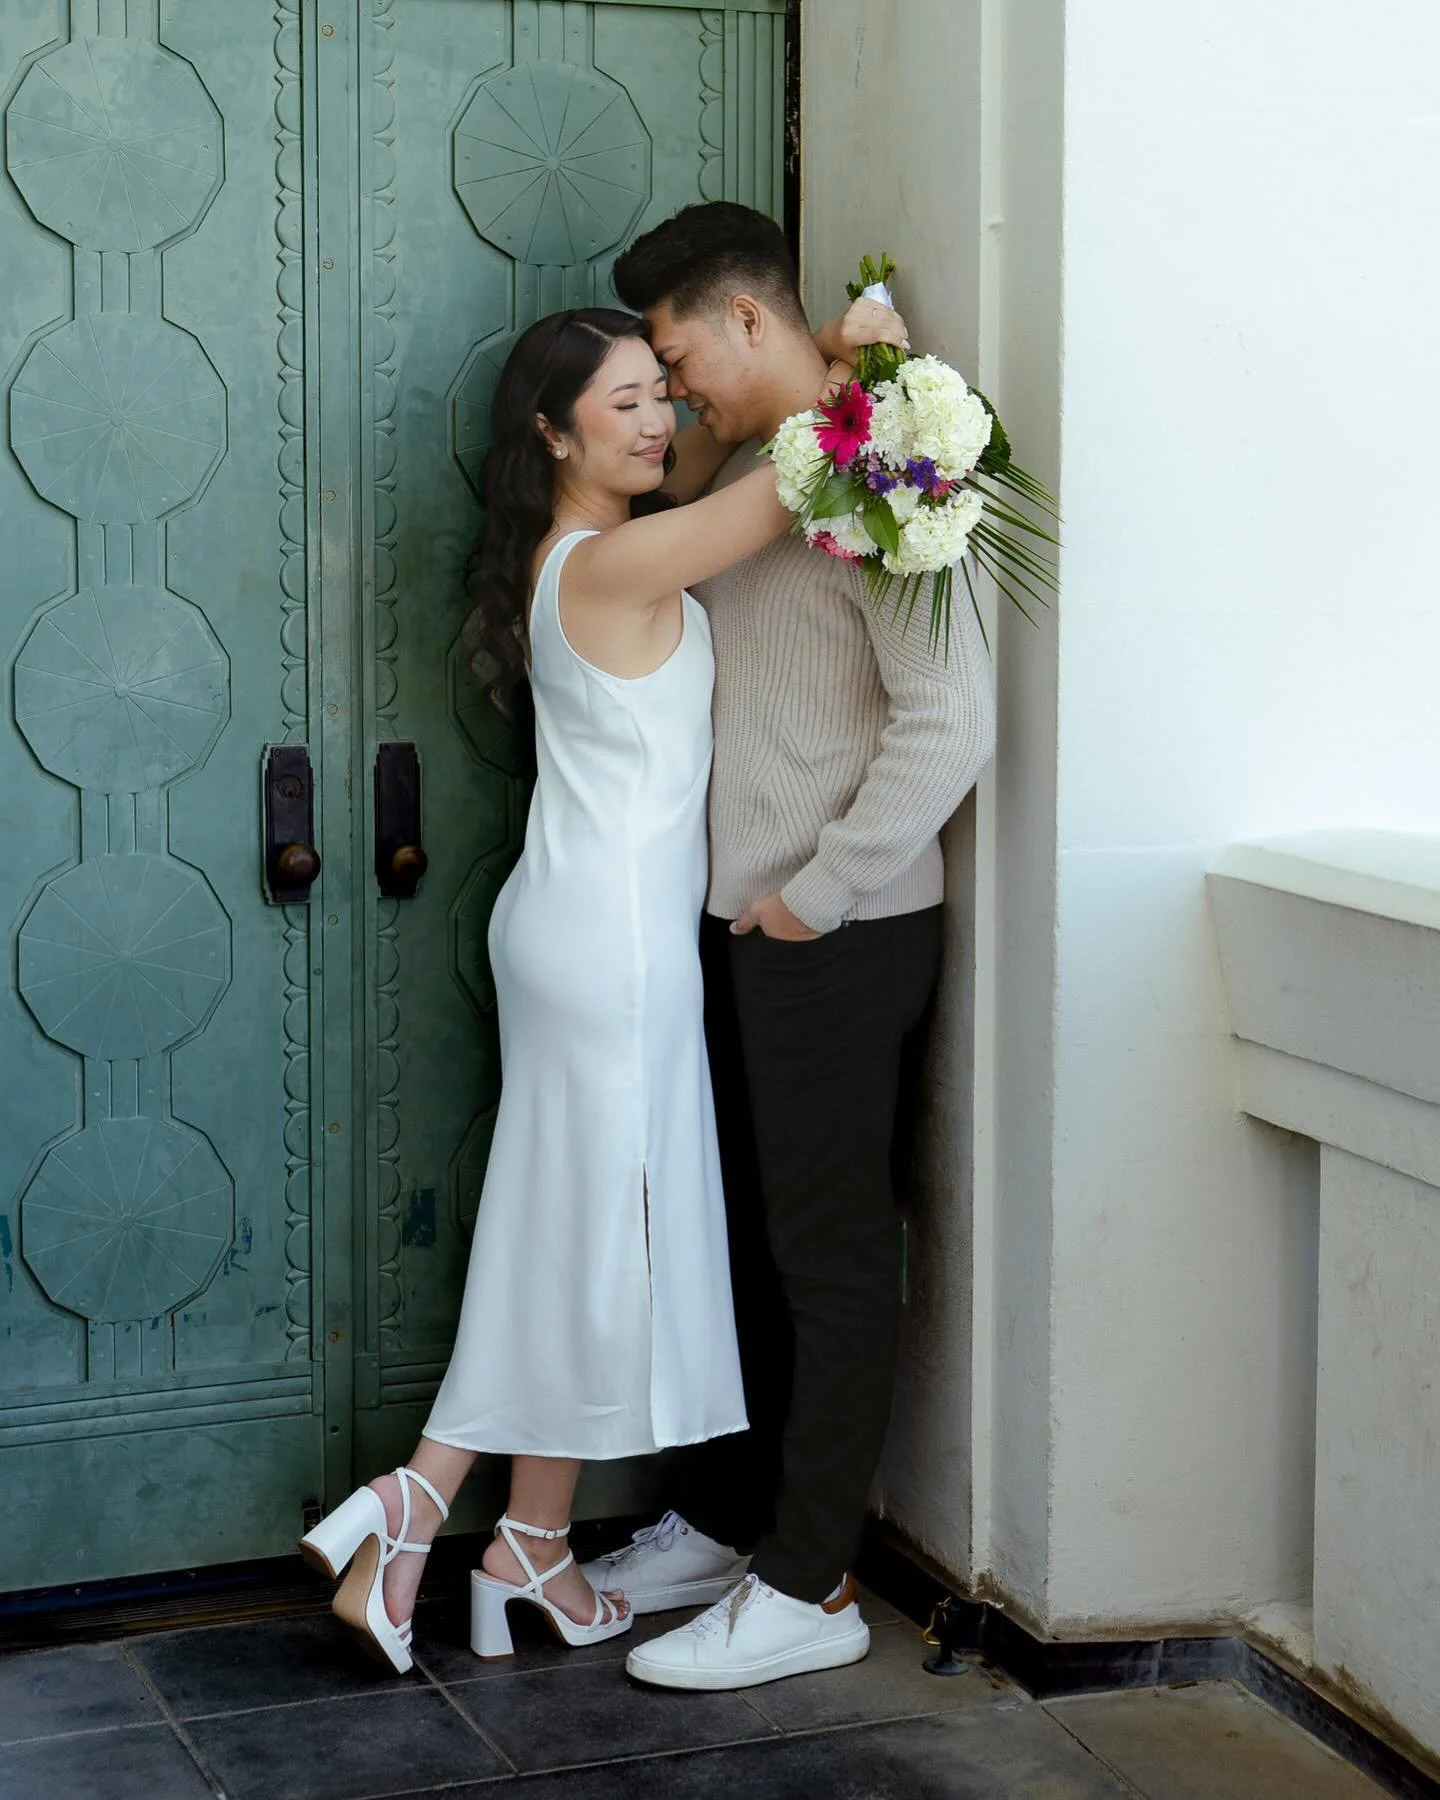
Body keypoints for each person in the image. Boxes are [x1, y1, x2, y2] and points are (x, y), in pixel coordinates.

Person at [297, 302, 883, 1675]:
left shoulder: (581, 558)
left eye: (660, 396)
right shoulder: (614, 564)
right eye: (624, 400)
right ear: (554, 432)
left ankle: (529, 1547)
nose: (657, 417)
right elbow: (807, 475)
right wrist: (868, 364)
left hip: (582, 931)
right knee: (589, 1234)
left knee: (573, 1231)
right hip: (611, 944)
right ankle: (427, 1495)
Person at [578, 204, 997, 1692]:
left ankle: (811, 1585)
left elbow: (951, 721)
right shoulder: (768, 470)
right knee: (744, 1247)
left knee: (824, 1259)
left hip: (834, 931)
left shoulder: (893, 464)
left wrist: (820, 890)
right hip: (744, 927)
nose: (671, 385)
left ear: (748, 321)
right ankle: (732, 1519)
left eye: (680, 353)